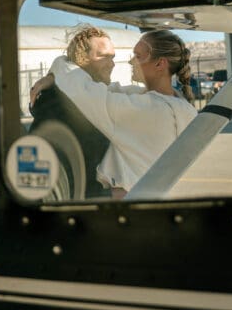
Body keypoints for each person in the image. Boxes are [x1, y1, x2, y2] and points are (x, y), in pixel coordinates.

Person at [48, 29, 198, 198]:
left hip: (135, 207)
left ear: (159, 64)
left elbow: (82, 91)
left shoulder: (146, 109)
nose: (130, 61)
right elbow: (112, 91)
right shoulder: (180, 106)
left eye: (138, 56)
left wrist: (60, 63)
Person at [28, 24, 118, 199]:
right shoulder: (58, 102)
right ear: (81, 59)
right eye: (103, 57)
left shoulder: (93, 94)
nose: (112, 64)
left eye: (112, 57)